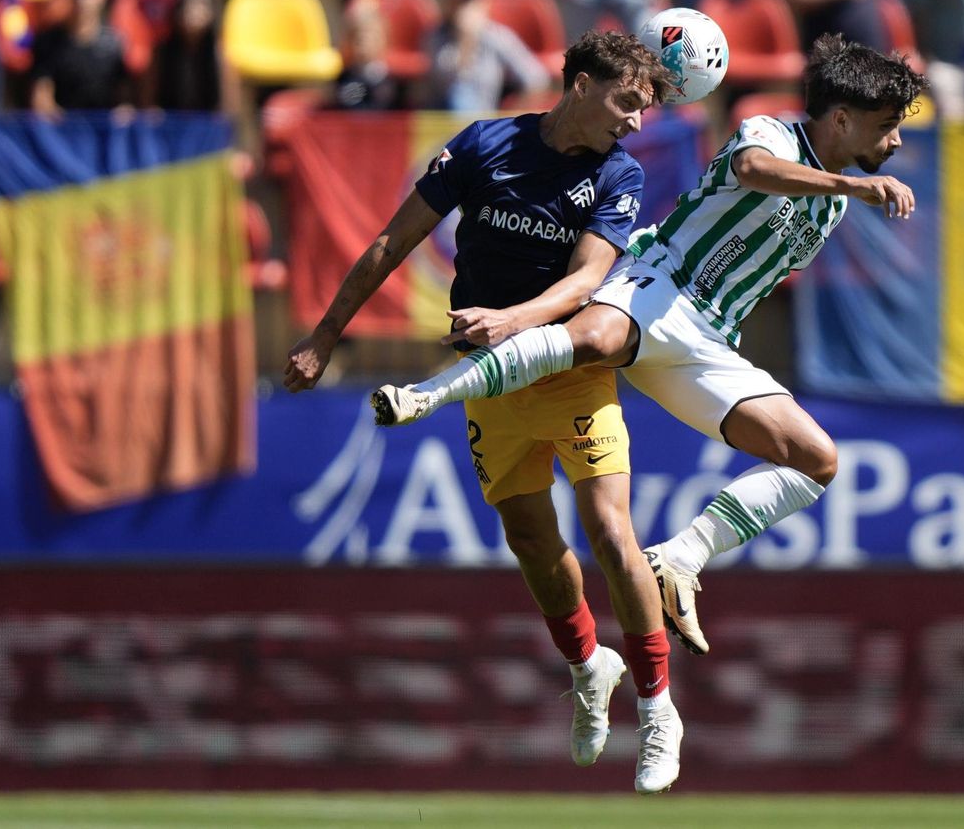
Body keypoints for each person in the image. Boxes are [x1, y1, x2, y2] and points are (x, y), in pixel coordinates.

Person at [369, 33, 925, 660]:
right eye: (886, 126)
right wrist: (848, 187)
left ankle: (682, 558)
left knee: (816, 459)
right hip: (661, 280)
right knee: (594, 338)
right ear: (843, 119)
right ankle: (428, 393)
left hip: (710, 339)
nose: (897, 139)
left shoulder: (832, 206)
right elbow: (751, 171)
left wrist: (841, 192)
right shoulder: (770, 133)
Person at [282, 32, 684, 795]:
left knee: (609, 530)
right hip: (488, 381)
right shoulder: (484, 145)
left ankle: (658, 706)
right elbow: (392, 241)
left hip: (569, 369)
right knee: (531, 539)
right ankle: (586, 667)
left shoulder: (620, 174)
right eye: (627, 102)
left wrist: (513, 320)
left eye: (645, 110)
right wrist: (325, 335)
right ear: (581, 85)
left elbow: (586, 282)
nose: (636, 123)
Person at [426, 0, 552, 112]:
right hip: (442, 125)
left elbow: (536, 80)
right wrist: (465, 41)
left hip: (483, 124)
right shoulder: (435, 36)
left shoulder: (498, 37)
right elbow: (452, 89)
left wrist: (504, 122)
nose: (462, 4)